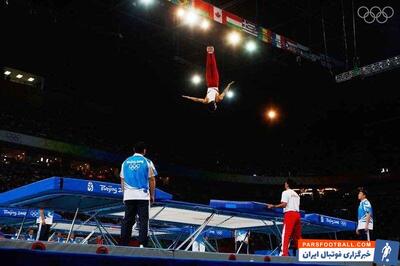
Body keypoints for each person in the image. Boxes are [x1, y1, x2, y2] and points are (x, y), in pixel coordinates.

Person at [120, 142, 157, 247]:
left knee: (127, 220)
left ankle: (123, 243)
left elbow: (122, 180)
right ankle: (142, 244)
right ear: (144, 150)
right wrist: (152, 195)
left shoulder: (125, 162)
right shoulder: (147, 161)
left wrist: (124, 194)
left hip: (129, 196)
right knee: (143, 220)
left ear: (133, 149)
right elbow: (152, 179)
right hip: (142, 196)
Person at [182, 46, 235, 112]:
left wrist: (229, 85)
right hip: (210, 83)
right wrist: (188, 97)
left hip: (214, 83)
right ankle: (210, 53)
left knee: (212, 67)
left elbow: (224, 92)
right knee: (210, 68)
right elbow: (196, 99)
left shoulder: (217, 100)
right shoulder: (206, 101)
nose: (216, 106)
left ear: (214, 106)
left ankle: (210, 53)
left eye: (215, 107)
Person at [267, 179, 301, 256]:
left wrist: (274, 206)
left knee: (286, 235)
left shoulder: (285, 192)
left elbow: (284, 204)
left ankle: (283, 254)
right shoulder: (297, 195)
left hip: (290, 214)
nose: (284, 185)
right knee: (297, 237)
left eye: (285, 183)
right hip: (297, 215)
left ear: (288, 185)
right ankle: (303, 254)